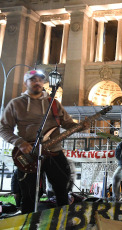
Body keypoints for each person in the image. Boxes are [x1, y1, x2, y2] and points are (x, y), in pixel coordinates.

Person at [0, 69, 89, 214]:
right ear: (26, 83)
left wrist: (80, 127)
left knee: (62, 190)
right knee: (28, 195)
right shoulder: (15, 104)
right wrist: (19, 143)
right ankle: (29, 222)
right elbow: (3, 128)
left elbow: (68, 124)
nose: (37, 82)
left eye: (40, 80)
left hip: (54, 152)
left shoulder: (53, 103)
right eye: (33, 79)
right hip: (29, 154)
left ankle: (62, 220)